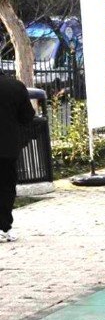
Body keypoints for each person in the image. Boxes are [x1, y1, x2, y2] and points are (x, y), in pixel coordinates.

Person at [0, 73, 35, 243]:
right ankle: (3, 227)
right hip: (7, 147)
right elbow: (27, 116)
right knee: (6, 187)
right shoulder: (15, 87)